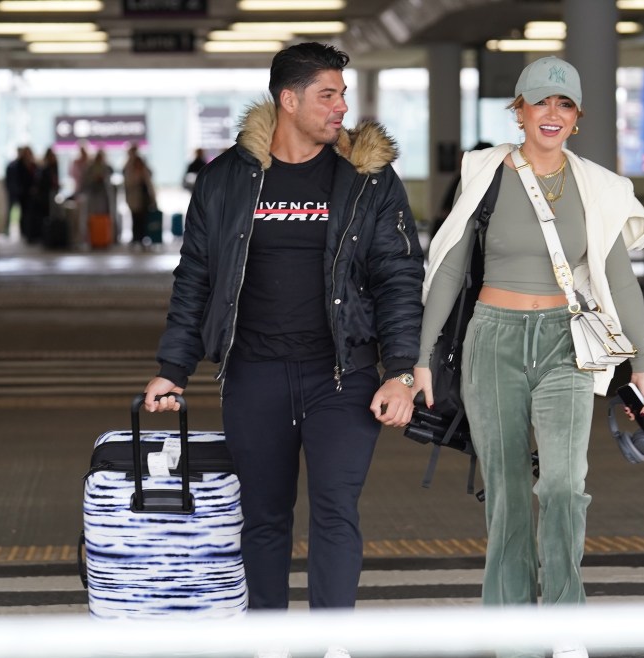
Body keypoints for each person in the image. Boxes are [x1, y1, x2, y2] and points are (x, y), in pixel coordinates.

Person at [143, 42, 424, 621]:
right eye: (328, 95)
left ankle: (335, 639)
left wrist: (399, 370)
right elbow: (196, 277)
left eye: (343, 94)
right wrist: (172, 369)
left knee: (335, 509)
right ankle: (267, 635)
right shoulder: (226, 180)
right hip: (254, 377)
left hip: (340, 377)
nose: (341, 107)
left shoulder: (369, 180)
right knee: (265, 517)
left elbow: (399, 278)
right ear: (288, 100)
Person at [414, 56, 644, 658]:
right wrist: (421, 355)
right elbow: (447, 268)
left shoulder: (598, 187)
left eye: (565, 104)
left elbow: (620, 281)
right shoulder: (486, 174)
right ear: (517, 110)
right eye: (541, 102)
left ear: (578, 118)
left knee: (564, 484)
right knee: (505, 488)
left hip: (564, 341)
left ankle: (565, 624)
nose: (552, 114)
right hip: (492, 338)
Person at [122, 143, 156, 246]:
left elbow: (149, 180)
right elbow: (127, 181)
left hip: (144, 197)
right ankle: (136, 238)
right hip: (134, 197)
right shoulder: (128, 167)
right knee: (135, 218)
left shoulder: (143, 167)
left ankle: (143, 237)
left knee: (144, 218)